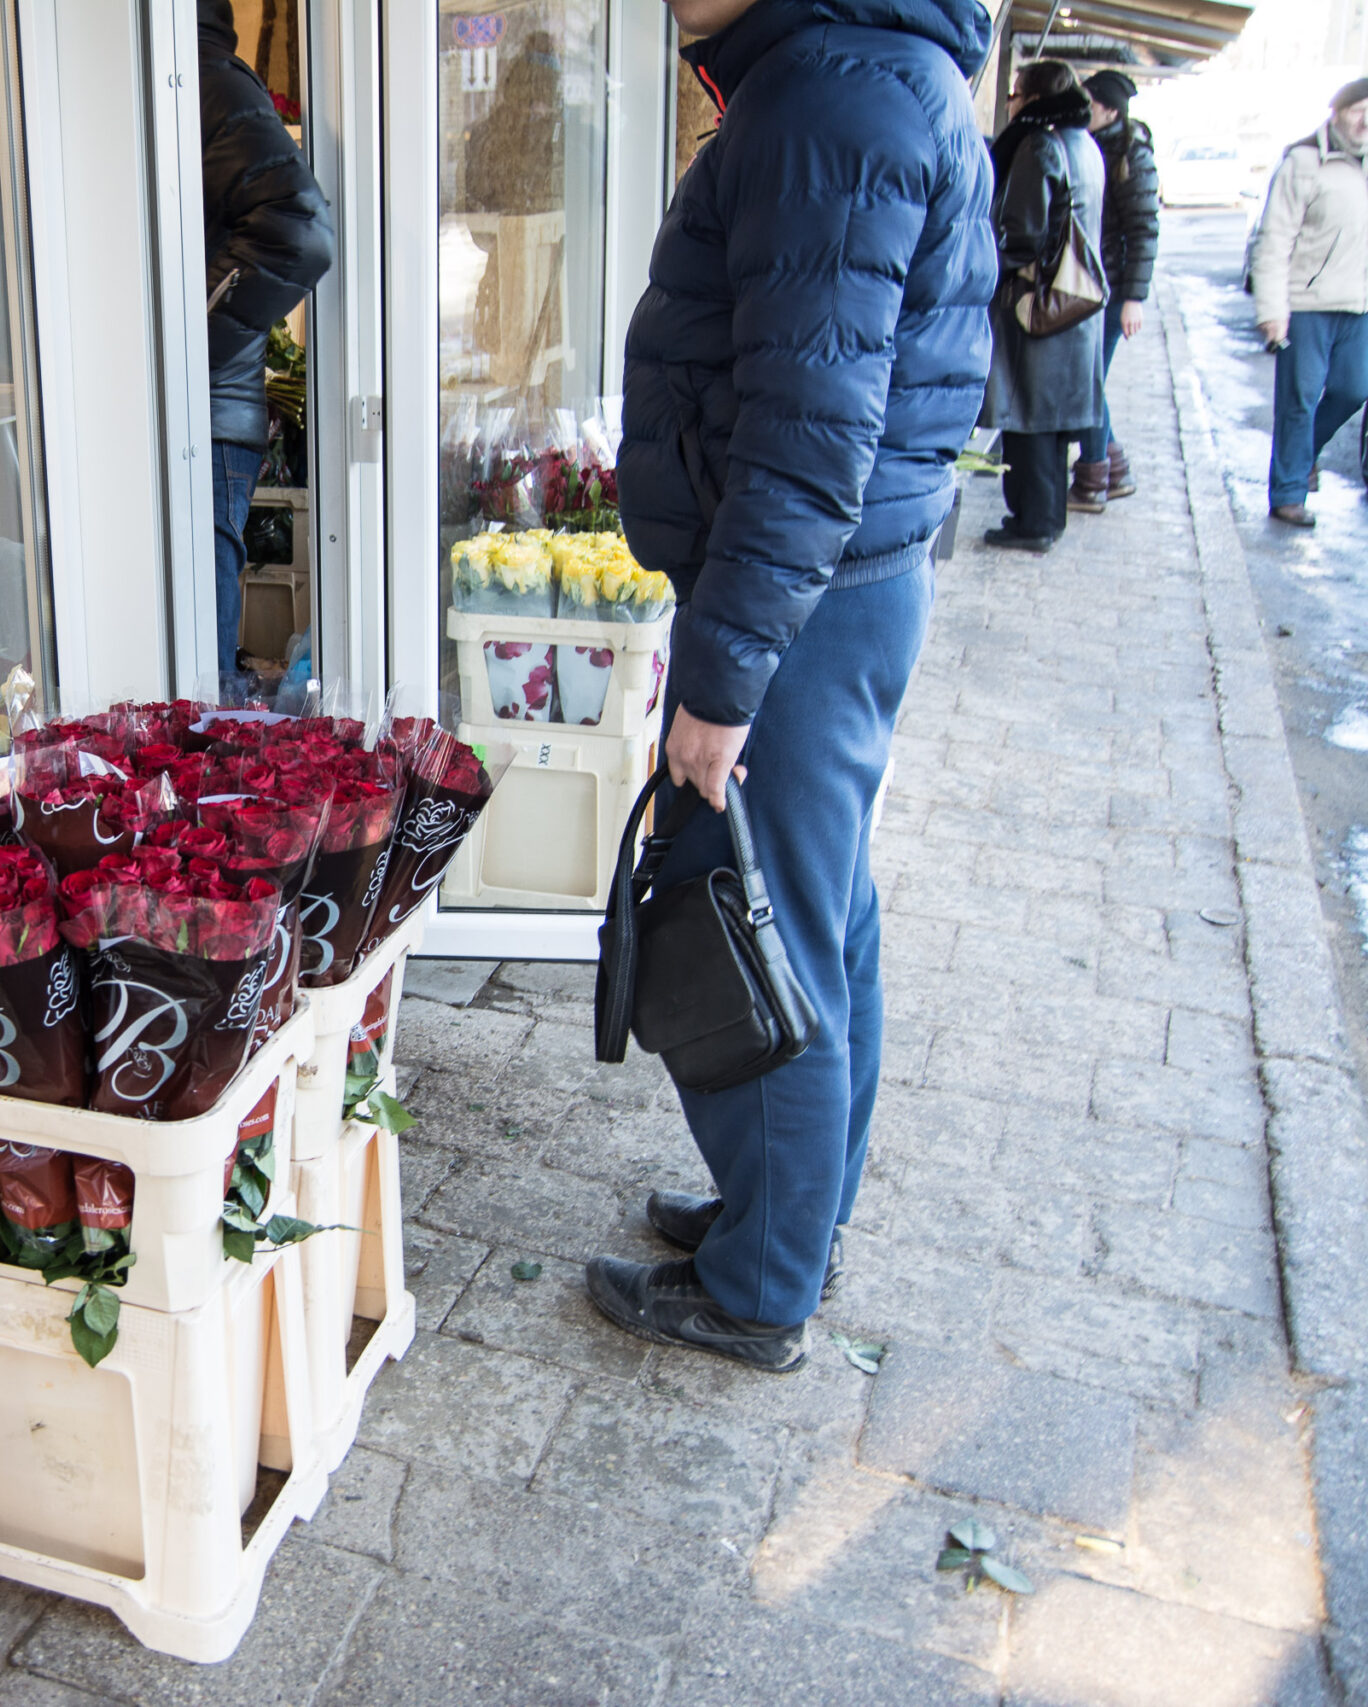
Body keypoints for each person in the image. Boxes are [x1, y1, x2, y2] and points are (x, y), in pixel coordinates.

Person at [594, 0, 995, 1370]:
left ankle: (762, 1286)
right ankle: (789, 1220)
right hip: (846, 580)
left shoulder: (829, 92)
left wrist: (719, 686)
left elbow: (806, 435)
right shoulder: (871, 70)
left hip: (804, 597)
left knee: (761, 917)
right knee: (820, 913)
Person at [196, 0, 332, 687]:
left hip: (204, 422)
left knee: (196, 673)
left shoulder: (204, 82)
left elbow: (299, 231)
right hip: (195, 417)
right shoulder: (185, 80)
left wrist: (185, 349)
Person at [979, 61, 1104, 554]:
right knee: (1051, 419)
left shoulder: (1040, 144)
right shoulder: (1085, 144)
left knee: (1027, 411)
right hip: (1075, 300)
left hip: (1039, 299)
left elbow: (1022, 232)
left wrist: (987, 269)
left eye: (1015, 93)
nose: (1010, 101)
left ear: (1032, 98)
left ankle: (1031, 522)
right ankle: (1048, 517)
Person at [1250, 78, 1368, 529]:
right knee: (1298, 400)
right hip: (1306, 303)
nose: (1364, 120)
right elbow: (1275, 238)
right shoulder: (1303, 162)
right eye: (1357, 110)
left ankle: (1304, 455)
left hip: (1358, 304)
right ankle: (1288, 493)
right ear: (1337, 112)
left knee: (1353, 390)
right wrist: (1271, 310)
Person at [1072, 69, 1158, 511]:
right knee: (1090, 380)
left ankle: (1093, 479)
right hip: (1091, 284)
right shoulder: (1094, 144)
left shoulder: (1131, 154)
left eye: (1088, 102)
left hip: (1111, 288)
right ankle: (1114, 471)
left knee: (1088, 382)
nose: (1082, 108)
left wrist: (1133, 299)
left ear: (1108, 110)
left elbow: (1144, 230)